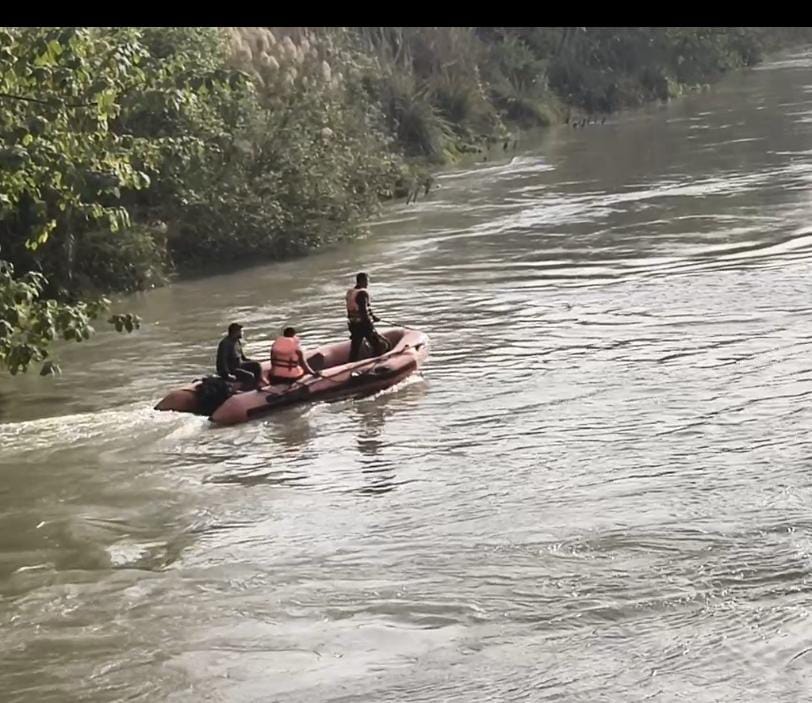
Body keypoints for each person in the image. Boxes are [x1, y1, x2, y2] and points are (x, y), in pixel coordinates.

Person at [346, 272, 388, 362]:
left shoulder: (350, 292)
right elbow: (363, 311)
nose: (367, 284)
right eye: (366, 281)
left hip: (353, 324)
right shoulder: (362, 293)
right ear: (362, 281)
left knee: (355, 349)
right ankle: (378, 364)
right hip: (363, 325)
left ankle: (351, 365)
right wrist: (370, 326)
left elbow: (355, 308)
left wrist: (373, 316)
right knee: (379, 345)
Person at [216, 322, 263, 389]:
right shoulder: (225, 344)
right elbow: (222, 361)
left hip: (240, 364)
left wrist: (251, 361)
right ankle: (246, 391)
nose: (242, 333)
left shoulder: (237, 341)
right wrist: (227, 374)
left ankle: (256, 386)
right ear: (235, 332)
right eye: (240, 331)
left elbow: (243, 357)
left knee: (257, 365)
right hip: (232, 369)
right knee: (250, 376)